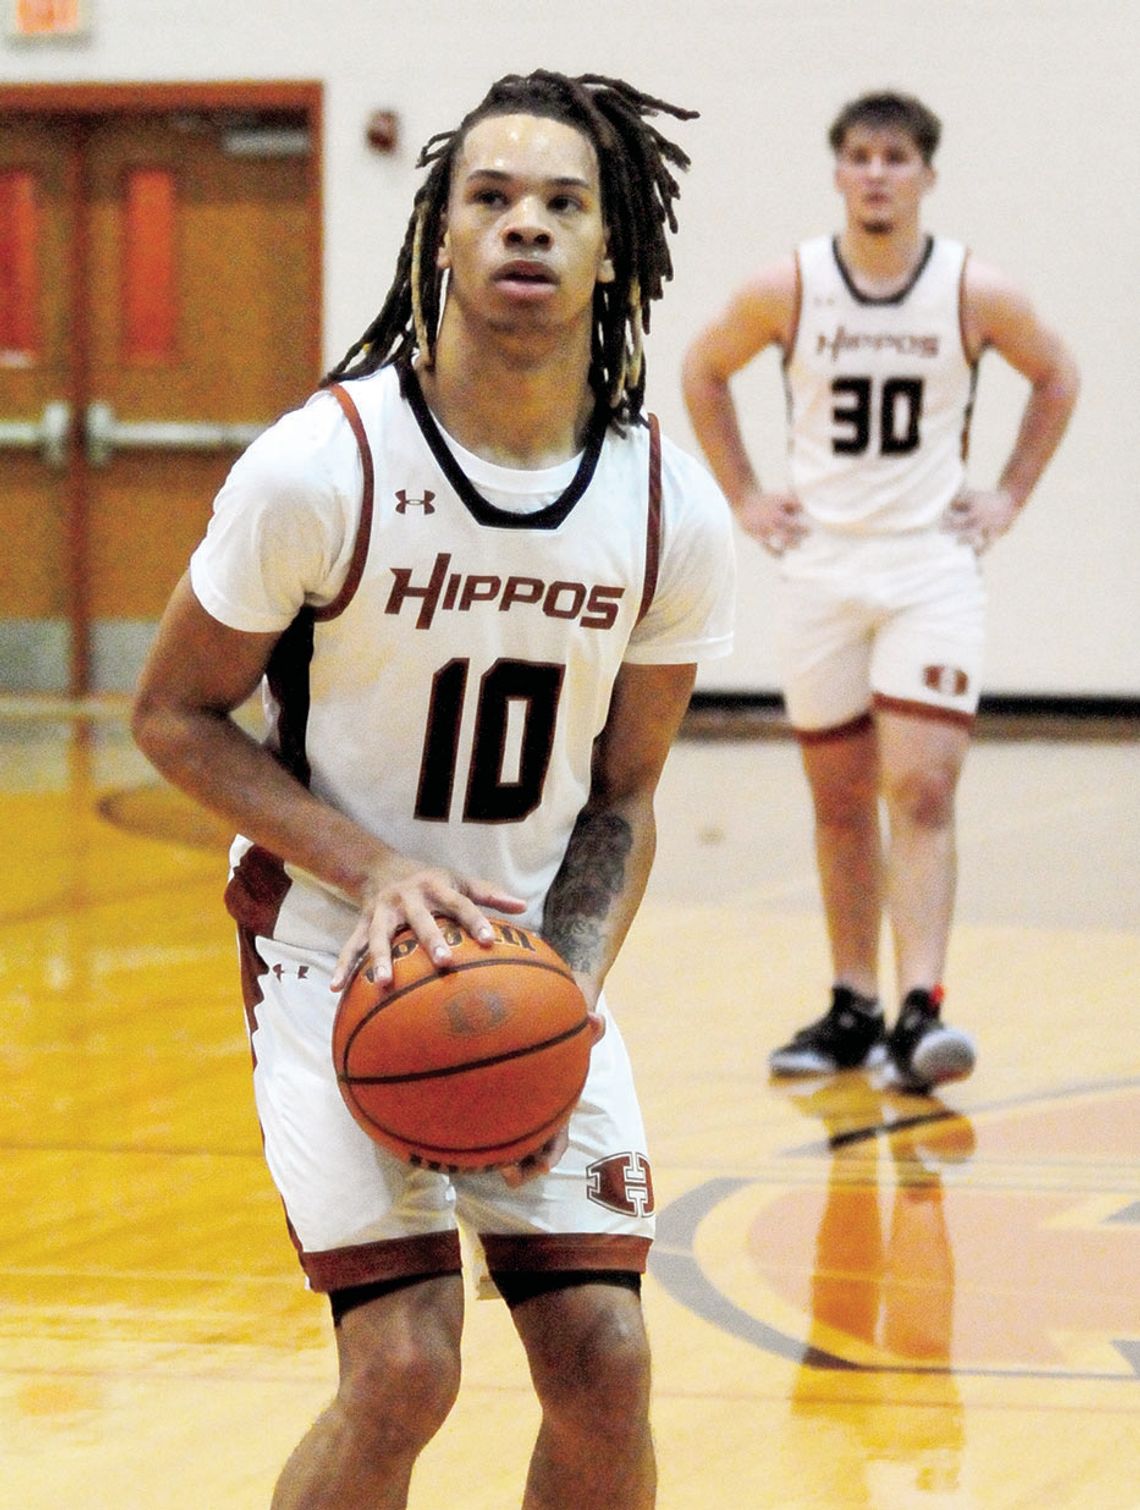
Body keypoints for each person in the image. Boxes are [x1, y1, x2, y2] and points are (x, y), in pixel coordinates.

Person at [132, 71, 734, 1509]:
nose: (527, 225)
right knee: (404, 1366)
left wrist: (563, 994)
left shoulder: (666, 508)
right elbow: (171, 712)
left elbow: (625, 799)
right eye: (494, 196)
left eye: (564, 204)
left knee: (607, 1354)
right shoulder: (322, 465)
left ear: (613, 252)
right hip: (332, 953)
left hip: (528, 960)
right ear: (441, 241)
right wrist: (376, 868)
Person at [682, 90, 1078, 1092]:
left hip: (927, 566)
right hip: (820, 567)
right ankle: (853, 1002)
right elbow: (702, 369)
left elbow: (1058, 375)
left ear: (927, 175)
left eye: (894, 158)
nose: (875, 174)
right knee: (840, 799)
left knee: (925, 787)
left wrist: (1011, 495)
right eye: (858, 155)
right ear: (837, 172)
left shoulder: (970, 290)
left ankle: (922, 1008)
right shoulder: (793, 284)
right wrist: (745, 496)